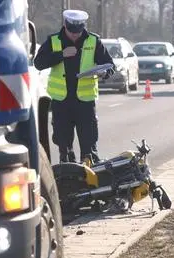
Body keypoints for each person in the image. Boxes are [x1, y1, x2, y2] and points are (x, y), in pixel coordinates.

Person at [34, 9, 115, 163]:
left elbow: (110, 65)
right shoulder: (53, 41)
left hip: (85, 102)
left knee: (89, 148)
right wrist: (61, 55)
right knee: (64, 147)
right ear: (65, 25)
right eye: (72, 32)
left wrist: (104, 73)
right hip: (61, 103)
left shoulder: (93, 40)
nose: (75, 35)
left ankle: (92, 180)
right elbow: (38, 63)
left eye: (78, 32)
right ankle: (68, 180)